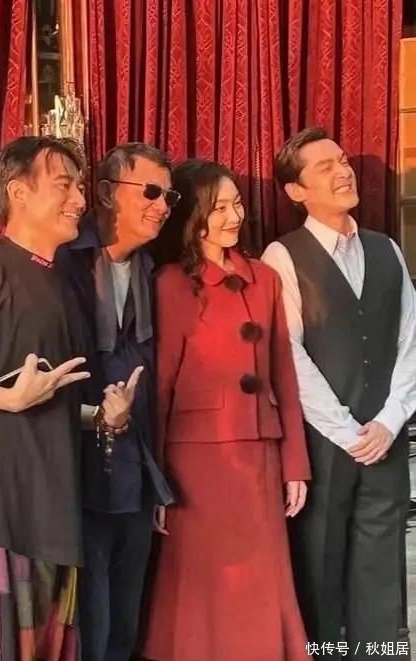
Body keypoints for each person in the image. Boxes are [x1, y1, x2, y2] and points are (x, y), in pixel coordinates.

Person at [0, 142, 177, 661]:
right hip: (59, 478)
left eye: (170, 196)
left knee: (120, 629)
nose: (163, 206)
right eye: (151, 192)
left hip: (130, 469)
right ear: (107, 194)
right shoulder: (56, 256)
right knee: (75, 628)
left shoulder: (150, 269)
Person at [142, 159, 311, 661]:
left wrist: (295, 465)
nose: (233, 216)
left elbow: (284, 375)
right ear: (194, 215)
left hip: (259, 453)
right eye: (218, 208)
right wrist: (156, 481)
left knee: (262, 578)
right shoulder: (170, 283)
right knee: (202, 581)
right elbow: (160, 389)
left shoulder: (265, 279)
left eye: (236, 204)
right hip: (193, 464)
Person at [262, 127, 416, 659]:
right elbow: (288, 355)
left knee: (382, 570)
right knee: (320, 565)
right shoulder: (283, 256)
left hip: (386, 438)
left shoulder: (386, 248)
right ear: (296, 190)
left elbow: (411, 341)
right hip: (323, 445)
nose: (343, 171)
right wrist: (348, 431)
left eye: (343, 161)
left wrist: (391, 420)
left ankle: (377, 655)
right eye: (325, 167)